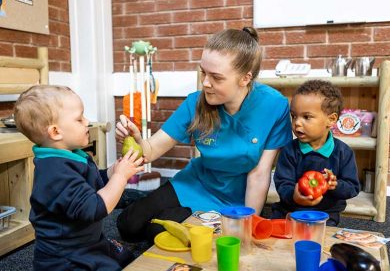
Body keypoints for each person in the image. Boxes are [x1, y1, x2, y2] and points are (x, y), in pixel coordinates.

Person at [115, 27, 292, 242]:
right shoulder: (195, 102)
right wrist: (135, 139)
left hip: (234, 199)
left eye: (216, 77)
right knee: (127, 225)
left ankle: (179, 216)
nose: (206, 83)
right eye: (203, 73)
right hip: (194, 183)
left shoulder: (275, 106)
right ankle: (154, 206)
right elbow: (151, 150)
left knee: (160, 232)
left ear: (245, 79)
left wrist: (248, 223)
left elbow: (259, 175)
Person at [14, 85, 144, 270]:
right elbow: (95, 208)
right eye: (79, 119)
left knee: (126, 257)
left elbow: (93, 181)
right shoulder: (55, 173)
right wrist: (121, 178)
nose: (87, 121)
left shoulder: (70, 155)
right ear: (55, 132)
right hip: (66, 256)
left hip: (88, 240)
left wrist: (114, 171)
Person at [271, 80, 360, 226]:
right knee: (274, 226)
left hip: (326, 214)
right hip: (291, 208)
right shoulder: (289, 150)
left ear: (331, 120)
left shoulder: (343, 152)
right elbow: (283, 184)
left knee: (323, 238)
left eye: (306, 117)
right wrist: (294, 196)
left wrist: (335, 185)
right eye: (294, 116)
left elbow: (352, 188)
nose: (297, 123)